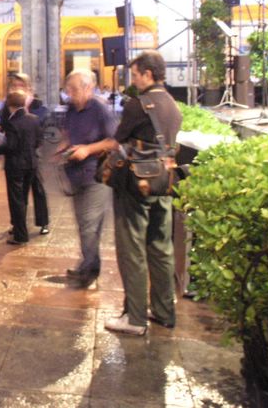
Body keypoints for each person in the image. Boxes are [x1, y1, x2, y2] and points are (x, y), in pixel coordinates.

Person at [68, 50, 181, 335]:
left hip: (137, 183)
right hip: (164, 180)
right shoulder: (172, 104)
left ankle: (135, 317)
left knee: (132, 249)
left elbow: (116, 141)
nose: (134, 80)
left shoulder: (138, 104)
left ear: (148, 74)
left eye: (136, 75)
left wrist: (90, 149)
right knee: (161, 247)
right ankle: (164, 311)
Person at [59, 70, 116, 288]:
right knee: (83, 223)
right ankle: (88, 265)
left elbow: (114, 141)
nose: (70, 93)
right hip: (76, 174)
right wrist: (64, 147)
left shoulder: (100, 109)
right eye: (68, 89)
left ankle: (90, 272)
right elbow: (68, 133)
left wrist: (88, 149)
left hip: (96, 175)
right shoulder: (71, 109)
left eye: (74, 89)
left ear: (88, 88)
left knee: (90, 224)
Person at [2, 73, 50, 235]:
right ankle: (17, 223)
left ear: (28, 88)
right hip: (16, 156)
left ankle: (43, 222)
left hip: (33, 154)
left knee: (38, 188)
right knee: (17, 194)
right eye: (14, 86)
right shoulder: (8, 105)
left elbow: (41, 127)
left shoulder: (38, 105)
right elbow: (5, 125)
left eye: (20, 85)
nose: (17, 88)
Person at [0, 91, 42, 245]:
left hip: (15, 165)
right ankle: (19, 229)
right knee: (23, 199)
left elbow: (10, 146)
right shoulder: (34, 119)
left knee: (16, 200)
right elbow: (39, 141)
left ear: (10, 105)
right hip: (31, 164)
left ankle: (20, 235)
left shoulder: (12, 123)